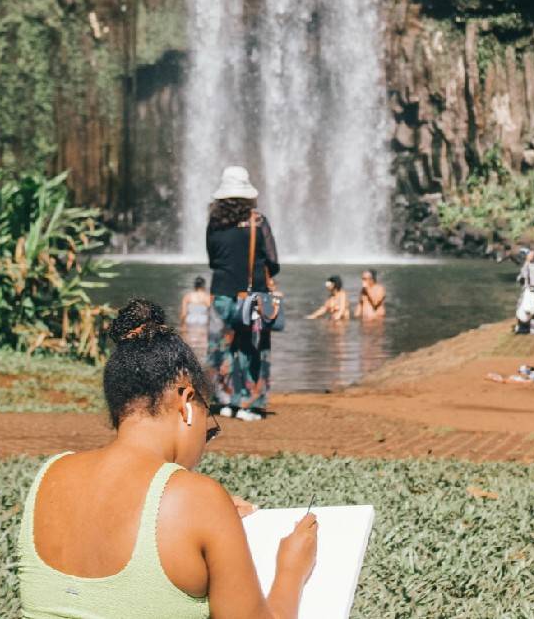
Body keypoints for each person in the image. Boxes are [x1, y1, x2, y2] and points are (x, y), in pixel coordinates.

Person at [18, 298, 316, 619]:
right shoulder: (198, 500)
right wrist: (292, 570)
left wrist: (208, 521)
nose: (203, 443)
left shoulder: (49, 475)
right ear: (187, 402)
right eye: (208, 426)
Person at [206, 166, 281, 423]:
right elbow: (273, 260)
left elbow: (213, 259)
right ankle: (248, 403)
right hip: (252, 296)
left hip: (221, 294)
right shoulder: (258, 221)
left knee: (222, 346)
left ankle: (225, 401)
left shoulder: (214, 223)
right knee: (253, 347)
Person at [179, 276, 211, 347]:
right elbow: (211, 314)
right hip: (203, 320)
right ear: (204, 285)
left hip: (190, 320)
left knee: (190, 342)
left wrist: (181, 325)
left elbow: (183, 314)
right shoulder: (207, 297)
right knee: (202, 342)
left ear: (195, 285)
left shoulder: (188, 296)